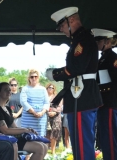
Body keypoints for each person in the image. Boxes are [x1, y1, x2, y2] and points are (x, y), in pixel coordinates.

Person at [45, 7, 103, 160]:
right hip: (81, 96)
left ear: (71, 20)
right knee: (79, 143)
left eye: (62, 26)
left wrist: (54, 74)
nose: (61, 30)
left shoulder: (82, 40)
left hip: (81, 97)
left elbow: (76, 68)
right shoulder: (80, 39)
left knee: (82, 144)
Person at [0, 82, 48, 160]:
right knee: (39, 148)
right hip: (6, 139)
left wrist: (28, 130)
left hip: (14, 137)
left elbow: (14, 127)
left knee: (44, 146)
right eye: (6, 90)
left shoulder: (7, 108)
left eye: (9, 90)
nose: (9, 92)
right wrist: (24, 130)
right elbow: (5, 131)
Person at [92, 28, 117, 160]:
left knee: (110, 139)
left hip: (110, 103)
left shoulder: (113, 58)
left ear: (107, 41)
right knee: (104, 139)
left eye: (98, 40)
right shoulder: (102, 59)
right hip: (102, 103)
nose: (96, 43)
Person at [20, 69, 49, 137]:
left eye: (36, 76)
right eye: (32, 77)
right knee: (27, 138)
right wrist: (34, 112)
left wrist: (41, 112)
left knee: (41, 139)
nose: (34, 78)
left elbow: (47, 103)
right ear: (29, 78)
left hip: (40, 120)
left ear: (38, 77)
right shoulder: (25, 88)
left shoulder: (43, 89)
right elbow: (23, 102)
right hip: (28, 119)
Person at [45, 83, 62, 156]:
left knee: (54, 134)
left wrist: (54, 112)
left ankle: (53, 151)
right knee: (46, 134)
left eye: (52, 88)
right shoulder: (44, 97)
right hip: (46, 116)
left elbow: (60, 107)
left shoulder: (57, 97)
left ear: (54, 89)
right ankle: (45, 151)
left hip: (55, 117)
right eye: (49, 87)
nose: (50, 89)